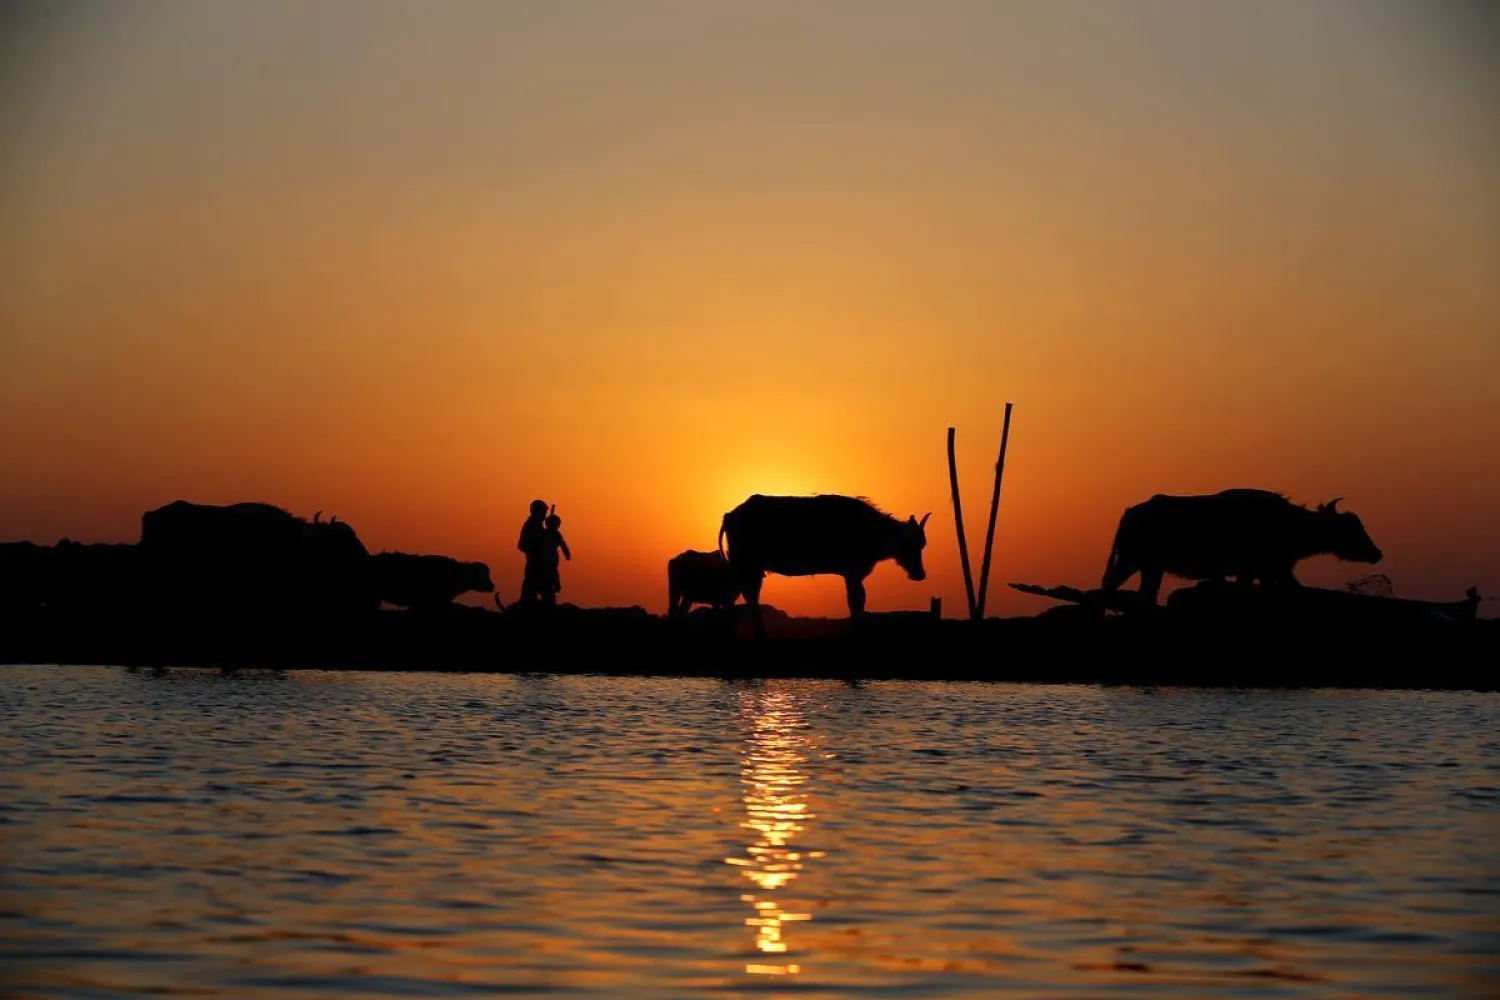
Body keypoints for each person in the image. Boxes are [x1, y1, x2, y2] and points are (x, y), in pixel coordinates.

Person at [517, 499, 549, 604]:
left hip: (542, 566)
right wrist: (536, 548)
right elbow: (522, 545)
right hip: (534, 567)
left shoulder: (538, 526)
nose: (545, 515)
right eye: (543, 512)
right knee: (529, 597)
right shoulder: (531, 526)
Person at [540, 511, 571, 597]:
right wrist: (567, 554)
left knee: (553, 570)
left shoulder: (555, 533)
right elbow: (563, 544)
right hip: (546, 556)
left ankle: (556, 585)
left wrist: (567, 554)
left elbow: (562, 544)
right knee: (550, 571)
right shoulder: (545, 533)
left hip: (551, 556)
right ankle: (554, 585)